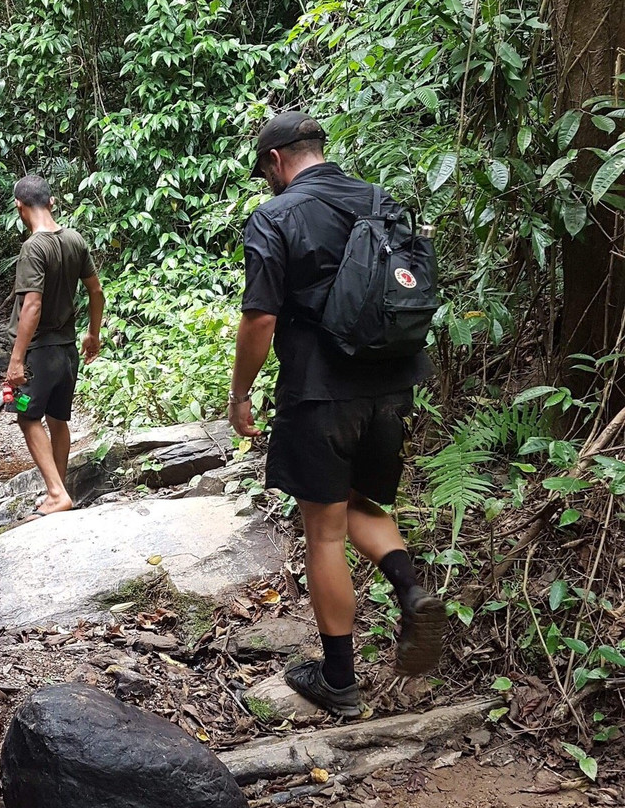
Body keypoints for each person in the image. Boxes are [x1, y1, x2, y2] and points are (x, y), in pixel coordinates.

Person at [227, 111, 446, 717]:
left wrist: (241, 393)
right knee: (362, 505)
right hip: (391, 386)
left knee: (323, 529)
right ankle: (411, 589)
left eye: (263, 171)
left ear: (275, 161)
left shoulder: (275, 216)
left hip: (318, 391)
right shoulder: (380, 201)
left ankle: (339, 681)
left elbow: (261, 319)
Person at [4, 175, 105, 519]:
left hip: (41, 353)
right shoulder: (75, 240)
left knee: (27, 418)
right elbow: (96, 291)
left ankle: (56, 493)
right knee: (58, 419)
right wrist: (93, 334)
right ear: (51, 202)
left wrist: (17, 360)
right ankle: (58, 491)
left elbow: (31, 306)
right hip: (67, 350)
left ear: (20, 207)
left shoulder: (34, 247)